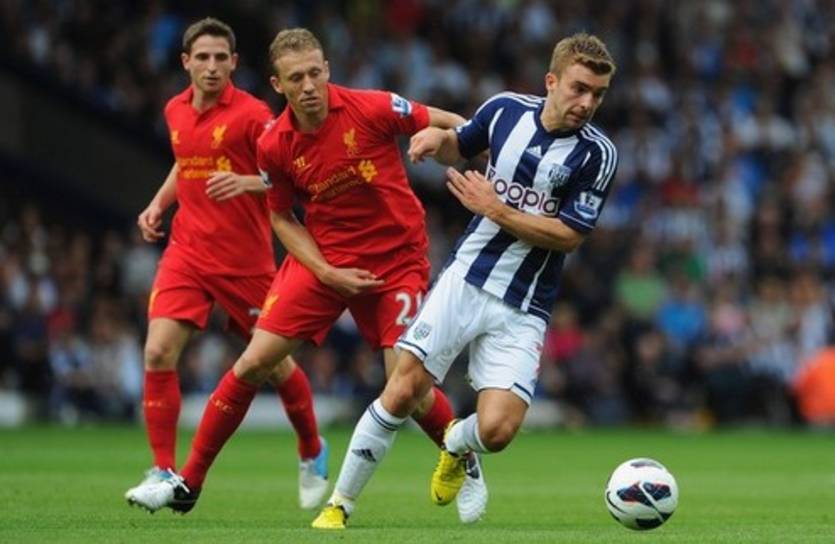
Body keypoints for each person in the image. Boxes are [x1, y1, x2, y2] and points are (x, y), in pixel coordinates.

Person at [126, 27, 486, 521]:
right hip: (321, 260)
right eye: (297, 78)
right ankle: (187, 483)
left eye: (316, 73)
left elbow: (460, 124)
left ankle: (463, 456)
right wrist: (325, 271)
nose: (310, 85)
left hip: (394, 262)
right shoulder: (274, 142)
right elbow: (281, 217)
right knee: (253, 362)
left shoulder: (373, 107)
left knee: (406, 387)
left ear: (327, 70)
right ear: (279, 84)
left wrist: (446, 140)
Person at [312, 32, 618, 529]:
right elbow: (461, 144)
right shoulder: (505, 109)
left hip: (525, 304)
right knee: (402, 389)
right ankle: (339, 505)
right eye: (579, 89)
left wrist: (496, 208)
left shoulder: (597, 155)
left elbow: (568, 236)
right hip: (466, 278)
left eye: (598, 95)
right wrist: (439, 141)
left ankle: (457, 444)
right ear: (551, 81)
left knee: (497, 431)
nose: (587, 103)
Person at [124, 18, 328, 511]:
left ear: (234, 63)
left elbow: (292, 168)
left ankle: (311, 447)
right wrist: (158, 203)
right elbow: (185, 160)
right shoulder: (175, 109)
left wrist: (247, 182)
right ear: (186, 62)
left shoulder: (253, 114)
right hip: (187, 253)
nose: (212, 66)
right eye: (203, 57)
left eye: (221, 58)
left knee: (273, 366)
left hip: (245, 263)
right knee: (157, 351)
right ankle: (163, 469)